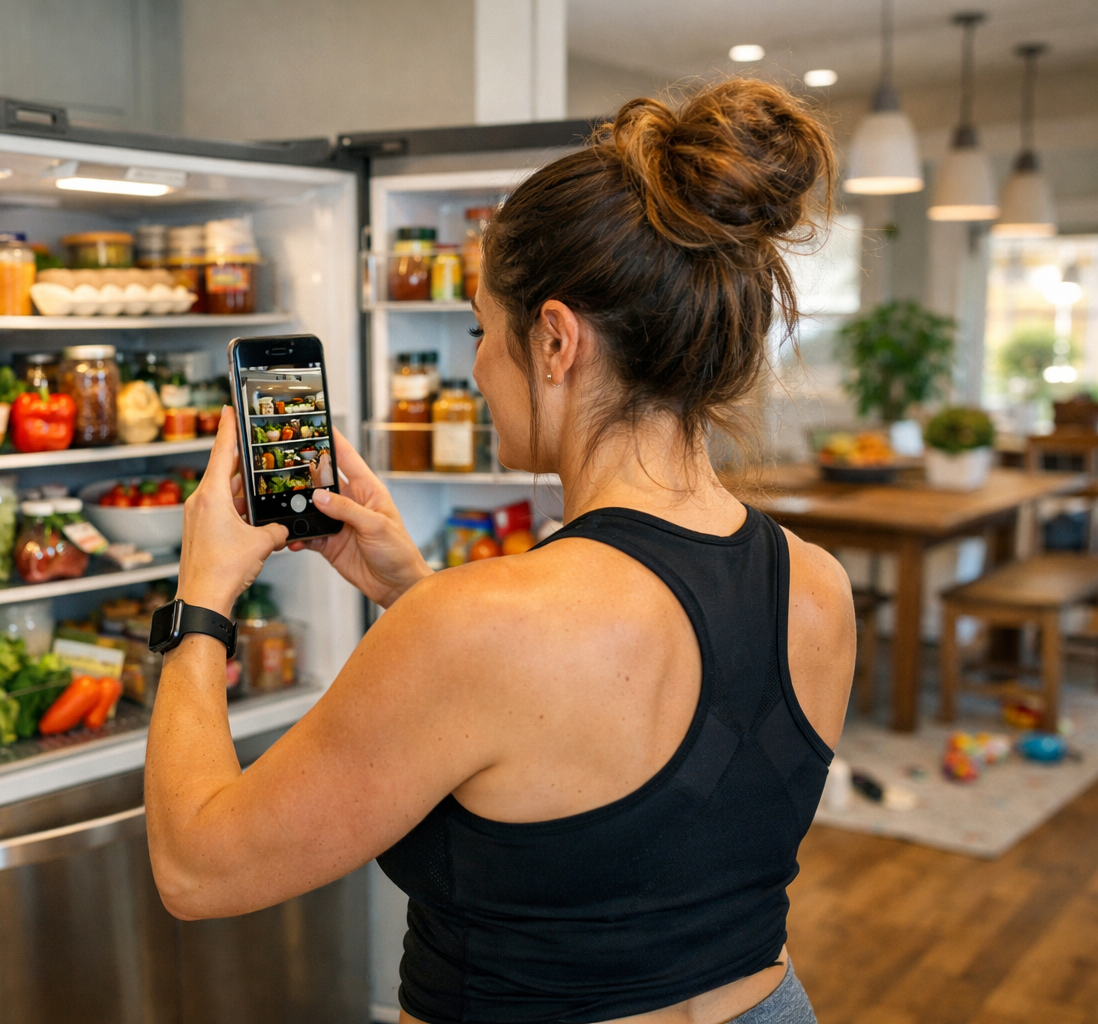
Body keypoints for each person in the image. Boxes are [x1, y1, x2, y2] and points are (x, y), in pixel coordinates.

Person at [144, 78, 854, 1024]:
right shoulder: (816, 585)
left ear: (555, 340)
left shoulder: (479, 630)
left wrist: (201, 604)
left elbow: (198, 867)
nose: (477, 365)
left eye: (483, 329)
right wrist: (415, 591)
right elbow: (640, 820)